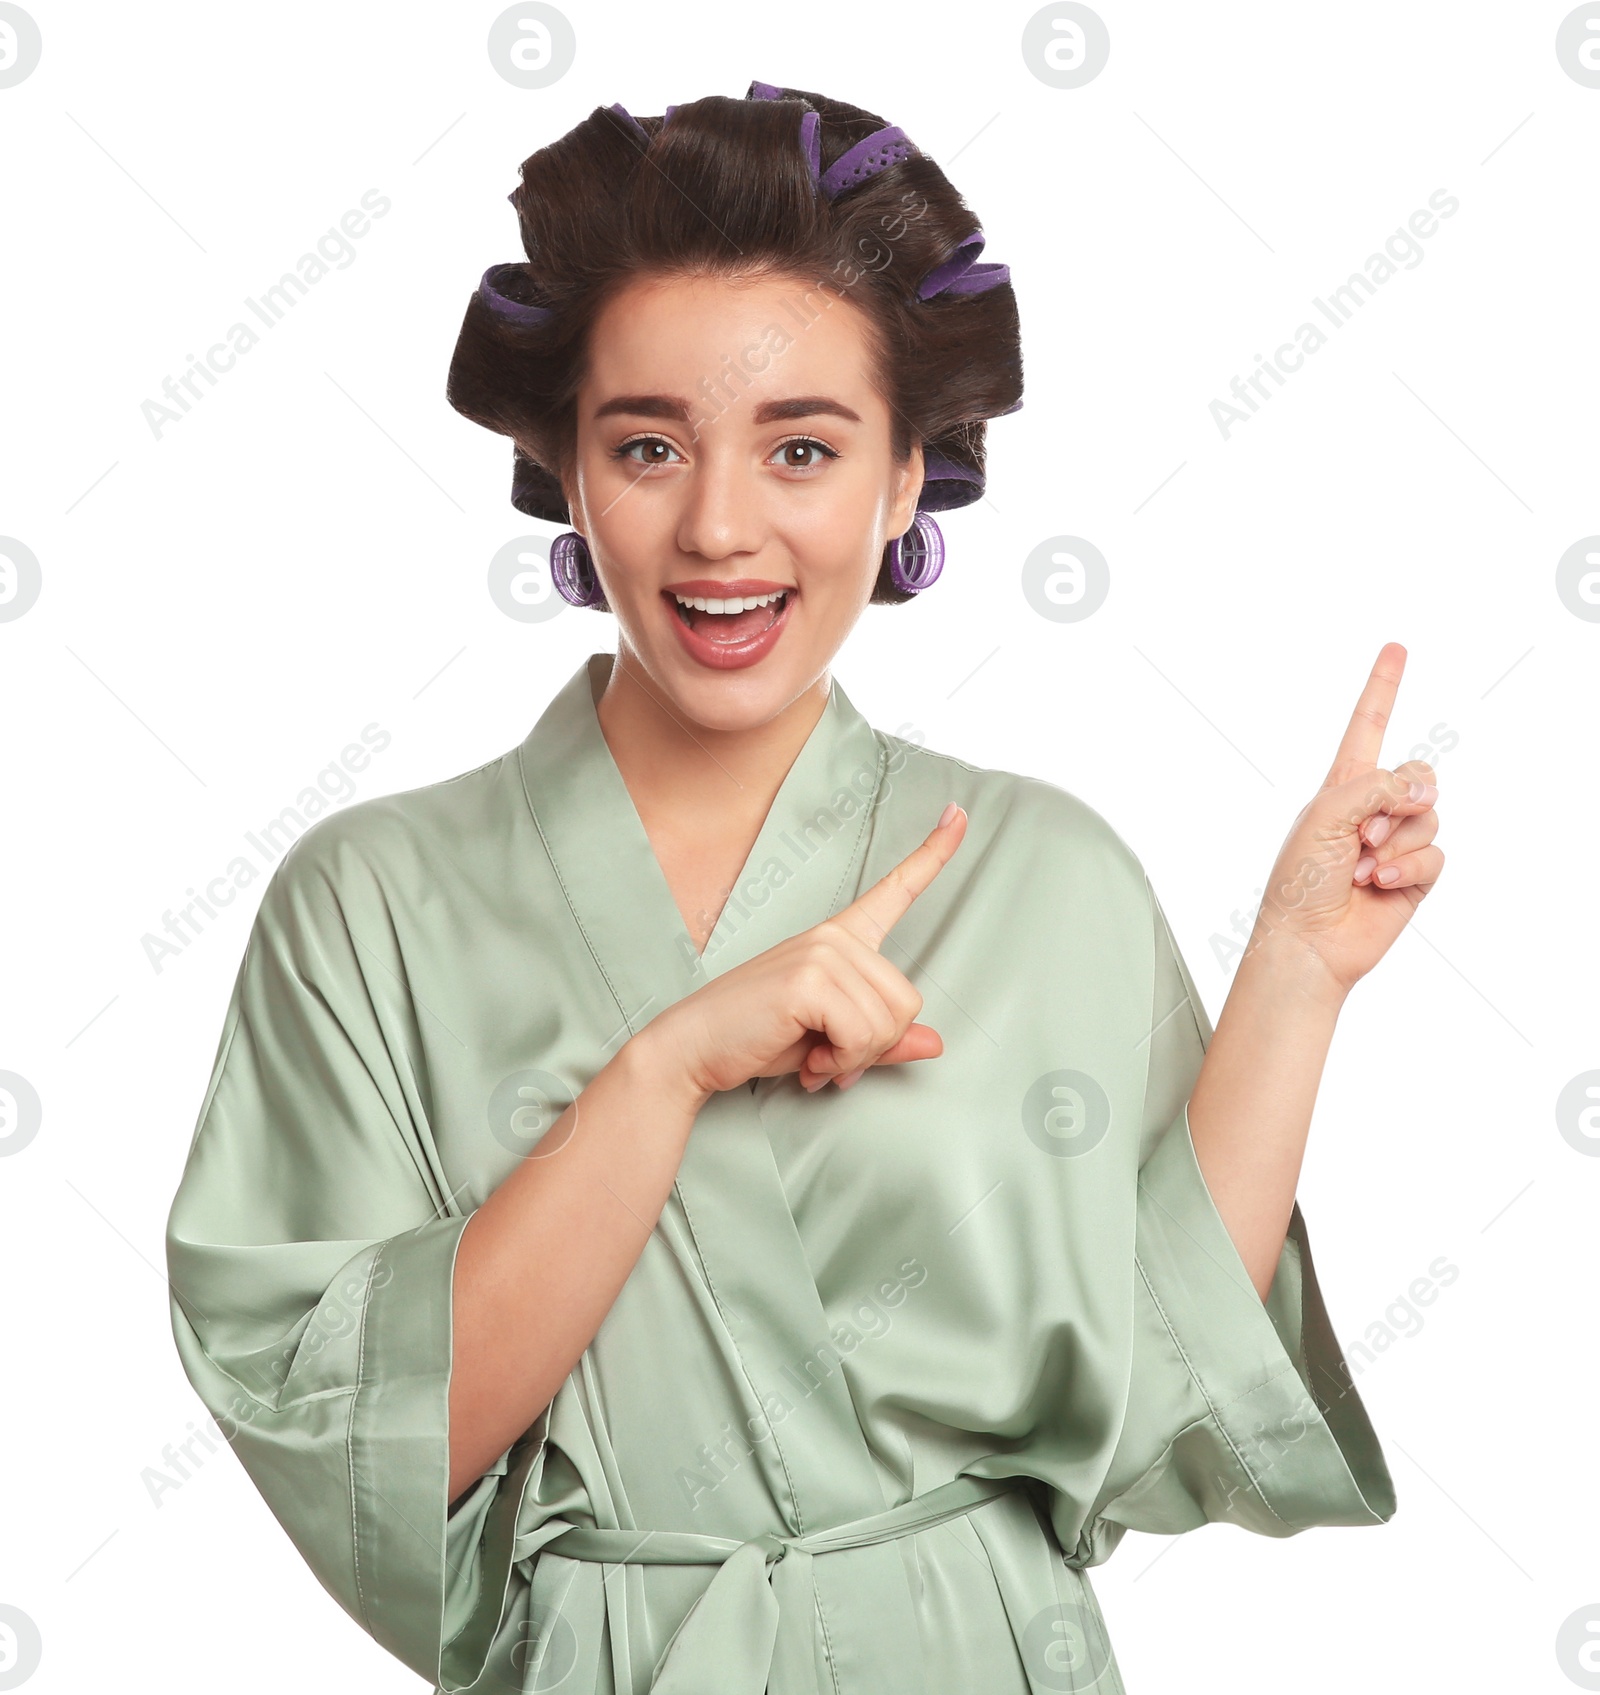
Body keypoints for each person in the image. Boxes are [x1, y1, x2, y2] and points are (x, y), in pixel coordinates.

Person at [164, 81, 1440, 1695]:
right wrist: (671, 1065)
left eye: (804, 449)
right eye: (646, 445)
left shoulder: (1041, 870)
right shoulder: (369, 908)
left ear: (910, 479)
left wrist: (1299, 972)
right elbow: (372, 1455)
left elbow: (1162, 1390)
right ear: (564, 468)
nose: (718, 527)